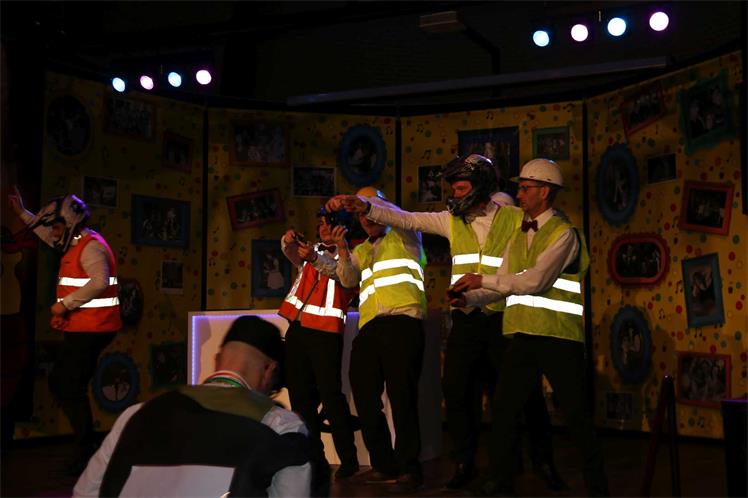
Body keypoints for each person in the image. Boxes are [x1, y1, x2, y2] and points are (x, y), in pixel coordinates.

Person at [332, 154, 564, 492]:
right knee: (457, 394)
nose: (454, 195)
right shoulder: (450, 220)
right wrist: (366, 207)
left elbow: (539, 253)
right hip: (466, 318)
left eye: (460, 188)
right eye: (453, 189)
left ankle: (539, 463)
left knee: (520, 396)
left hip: (504, 317)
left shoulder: (515, 217)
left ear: (480, 187)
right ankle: (465, 464)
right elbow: (408, 218)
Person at [450, 158, 610, 496]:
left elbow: (535, 281)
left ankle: (598, 486)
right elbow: (503, 282)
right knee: (504, 408)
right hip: (523, 336)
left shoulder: (563, 234)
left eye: (525, 188)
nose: (519, 195)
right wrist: (469, 298)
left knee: (576, 415)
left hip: (558, 337)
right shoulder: (519, 233)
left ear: (545, 192)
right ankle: (500, 478)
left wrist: (481, 279)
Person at [73, 315, 313, 497]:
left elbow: (85, 493)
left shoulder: (135, 415)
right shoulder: (281, 427)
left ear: (217, 361)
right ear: (269, 371)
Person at [8, 187, 121, 475]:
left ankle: (87, 451)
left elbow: (99, 281)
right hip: (84, 326)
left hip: (93, 328)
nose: (54, 233)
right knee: (67, 385)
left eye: (58, 226)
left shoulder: (91, 247)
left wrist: (64, 306)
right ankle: (87, 449)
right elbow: (47, 234)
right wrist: (22, 212)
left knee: (66, 385)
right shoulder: (74, 241)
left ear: (70, 224)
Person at [322, 187, 427, 494]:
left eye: (368, 210)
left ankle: (409, 468)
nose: (365, 219)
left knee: (402, 397)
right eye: (360, 215)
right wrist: (342, 248)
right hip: (370, 328)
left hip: (403, 322)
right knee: (365, 397)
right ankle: (384, 464)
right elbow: (347, 279)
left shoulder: (405, 233)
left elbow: (395, 215)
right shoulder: (364, 249)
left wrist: (364, 203)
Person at [277, 209, 360, 487]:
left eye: (328, 223)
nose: (322, 227)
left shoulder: (351, 254)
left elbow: (347, 278)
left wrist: (318, 256)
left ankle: (349, 461)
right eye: (321, 223)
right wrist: (288, 240)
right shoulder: (312, 250)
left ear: (342, 227)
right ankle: (314, 459)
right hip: (298, 330)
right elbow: (290, 252)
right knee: (301, 399)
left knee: (331, 398)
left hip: (326, 333)